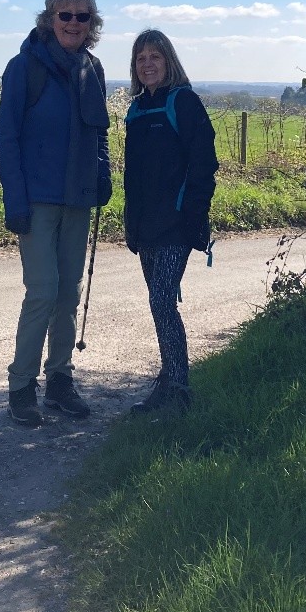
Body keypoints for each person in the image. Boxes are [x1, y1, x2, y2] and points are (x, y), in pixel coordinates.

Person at [0, 0, 112, 428]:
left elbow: (99, 132)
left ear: (91, 24)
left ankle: (60, 381)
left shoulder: (92, 68)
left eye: (83, 16)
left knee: (68, 294)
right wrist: (15, 200)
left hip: (77, 199)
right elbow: (7, 138)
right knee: (43, 291)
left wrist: (102, 174)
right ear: (49, 19)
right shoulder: (24, 67)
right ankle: (21, 387)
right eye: (65, 15)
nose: (74, 23)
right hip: (37, 201)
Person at [123, 29, 218, 417]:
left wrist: (192, 216)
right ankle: (168, 382)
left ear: (169, 61)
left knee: (162, 301)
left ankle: (179, 389)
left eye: (155, 57)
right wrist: (130, 225)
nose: (147, 64)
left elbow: (204, 164)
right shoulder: (137, 110)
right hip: (145, 226)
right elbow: (132, 176)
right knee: (159, 304)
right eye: (140, 58)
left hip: (176, 224)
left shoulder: (184, 102)